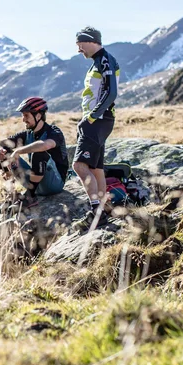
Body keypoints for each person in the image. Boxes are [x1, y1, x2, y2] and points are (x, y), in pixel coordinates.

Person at [73, 26, 119, 231]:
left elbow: (111, 93)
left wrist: (91, 118)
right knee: (96, 168)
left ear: (89, 40)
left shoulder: (105, 60)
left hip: (98, 121)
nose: (78, 49)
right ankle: (103, 208)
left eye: (79, 44)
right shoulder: (97, 62)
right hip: (98, 120)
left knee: (79, 166)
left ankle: (95, 212)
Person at [0, 96, 69, 213]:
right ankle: (12, 194)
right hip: (34, 183)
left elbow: (45, 145)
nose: (23, 119)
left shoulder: (54, 132)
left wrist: (18, 151)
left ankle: (29, 197)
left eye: (26, 115)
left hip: (54, 184)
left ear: (38, 115)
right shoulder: (27, 134)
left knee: (39, 152)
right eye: (22, 115)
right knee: (5, 152)